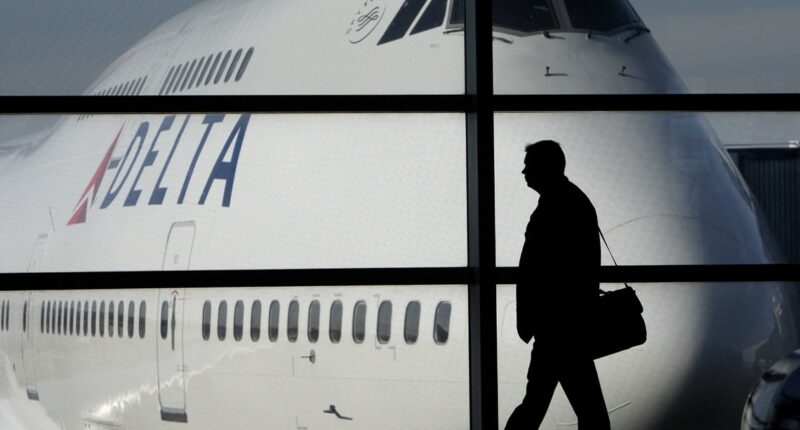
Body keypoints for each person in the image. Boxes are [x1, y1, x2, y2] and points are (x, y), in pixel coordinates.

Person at [505, 140, 610, 430]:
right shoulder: (572, 201)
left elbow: (538, 271)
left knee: (536, 405)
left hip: (557, 328)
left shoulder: (554, 207)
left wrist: (533, 319)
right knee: (587, 411)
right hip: (567, 326)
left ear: (544, 168)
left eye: (529, 165)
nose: (523, 171)